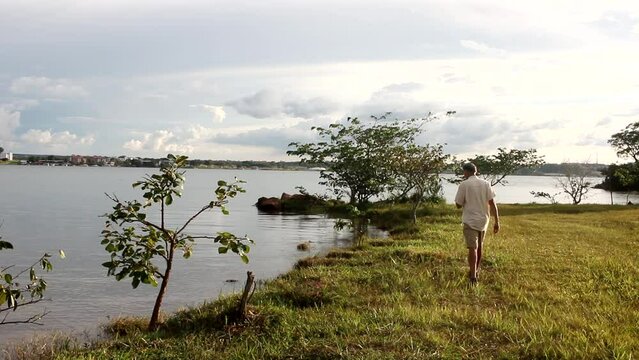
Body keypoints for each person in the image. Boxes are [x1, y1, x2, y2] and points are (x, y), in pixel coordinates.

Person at [454, 162, 500, 285]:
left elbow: (458, 204)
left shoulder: (464, 185)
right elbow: (492, 203)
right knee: (480, 245)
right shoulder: (486, 184)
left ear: (466, 172)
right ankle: (476, 269)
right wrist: (497, 222)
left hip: (470, 220)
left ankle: (473, 275)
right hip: (483, 220)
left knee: (472, 248)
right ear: (476, 171)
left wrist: (463, 202)